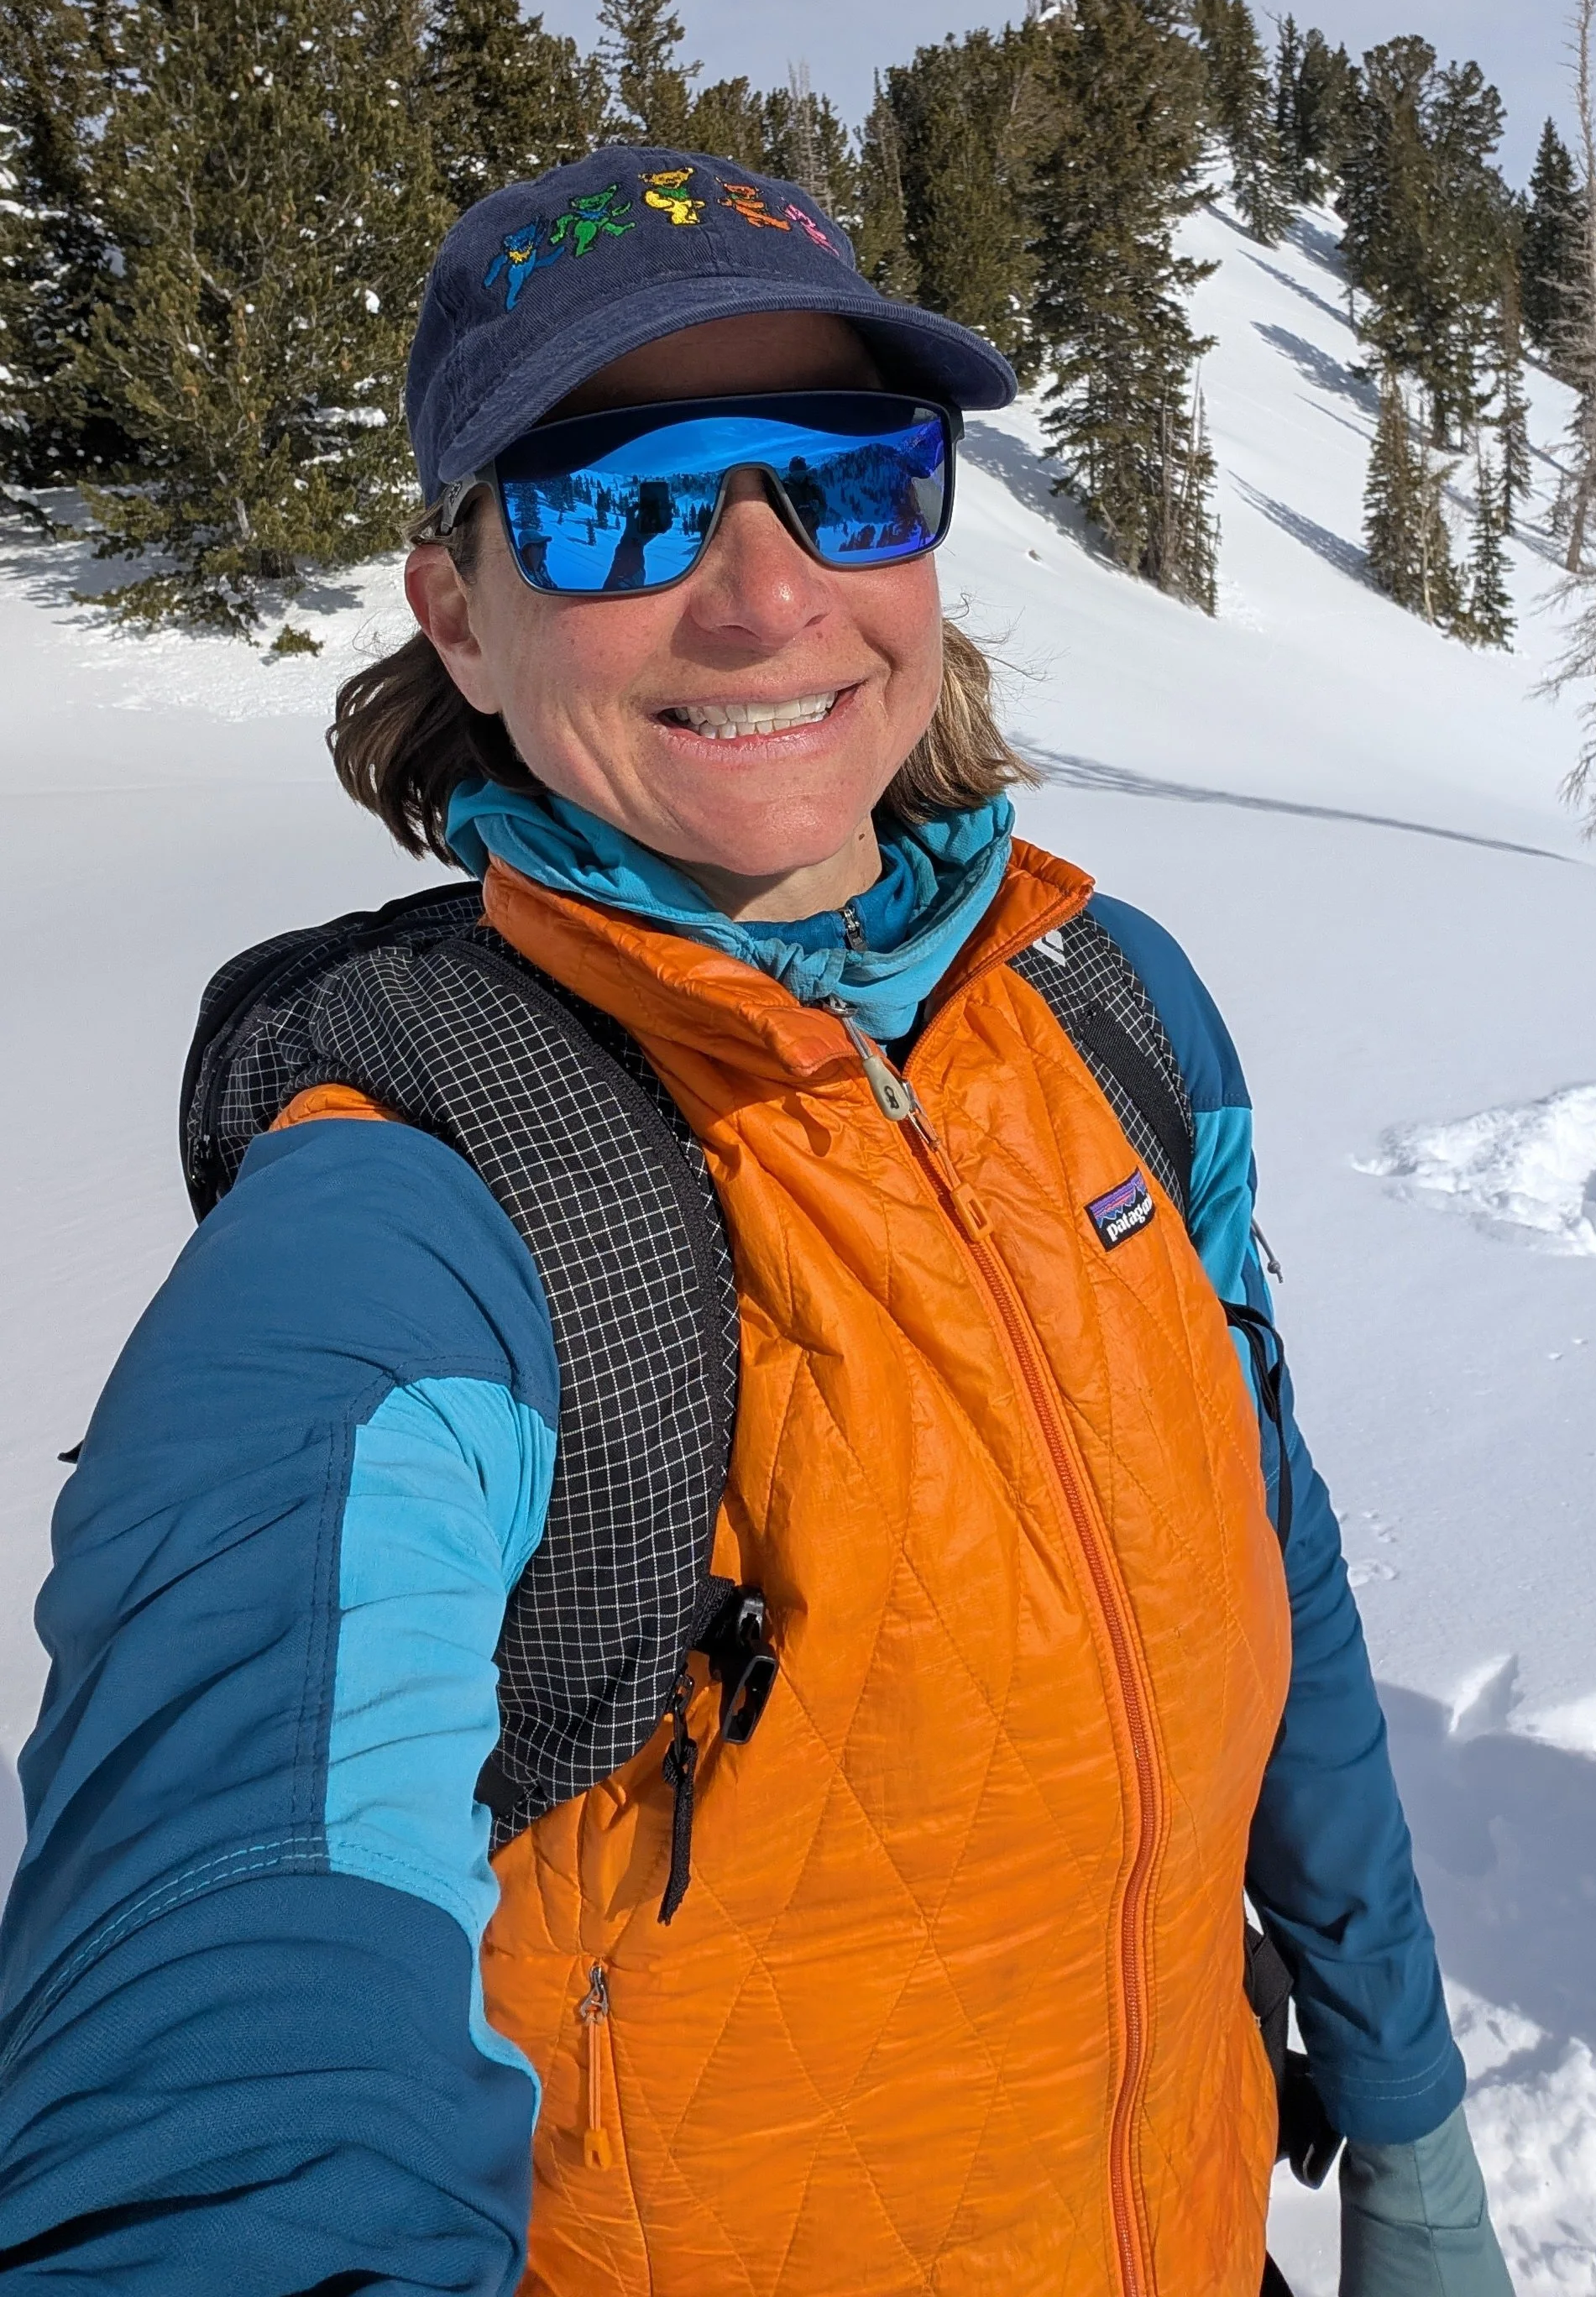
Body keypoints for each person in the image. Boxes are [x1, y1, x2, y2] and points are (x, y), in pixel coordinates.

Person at [0, 147, 1515, 2297]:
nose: (770, 593)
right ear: (460, 608)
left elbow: (1279, 1562)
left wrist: (1410, 2123)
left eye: (850, 478)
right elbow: (220, 1988)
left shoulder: (1112, 1011)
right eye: (620, 500)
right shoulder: (406, 1218)